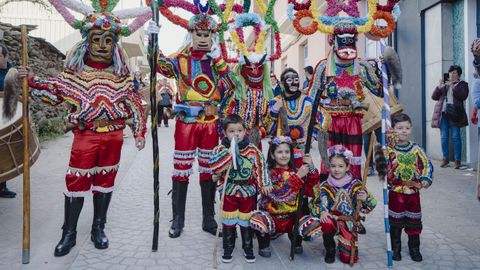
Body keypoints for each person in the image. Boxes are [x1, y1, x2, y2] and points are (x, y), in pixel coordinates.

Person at [17, 2, 148, 256]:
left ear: (115, 45)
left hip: (113, 137)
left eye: (108, 40)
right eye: (96, 39)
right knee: (76, 181)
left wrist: (139, 133)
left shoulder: (122, 78)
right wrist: (30, 80)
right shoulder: (72, 75)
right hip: (85, 136)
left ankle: (99, 227)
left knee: (105, 182)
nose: (101, 45)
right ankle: (69, 232)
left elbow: (136, 107)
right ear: (86, 42)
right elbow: (53, 91)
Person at [149, 13, 237, 238]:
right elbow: (159, 65)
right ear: (191, 34)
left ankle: (208, 218)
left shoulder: (217, 62)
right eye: (199, 34)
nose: (203, 38)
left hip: (210, 123)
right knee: (181, 170)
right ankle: (178, 219)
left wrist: (219, 61)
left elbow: (232, 86)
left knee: (208, 170)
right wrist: (153, 39)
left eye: (207, 34)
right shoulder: (180, 59)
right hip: (187, 123)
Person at [308, 21, 383, 179]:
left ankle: (353, 192)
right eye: (342, 39)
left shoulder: (362, 66)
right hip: (330, 122)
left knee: (352, 160)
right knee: (329, 161)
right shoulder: (323, 67)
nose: (347, 44)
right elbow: (311, 99)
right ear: (333, 40)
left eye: (351, 39)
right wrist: (313, 127)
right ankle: (328, 194)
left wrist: (385, 71)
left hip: (353, 121)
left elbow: (378, 90)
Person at [298, 145, 376, 265]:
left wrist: (364, 199)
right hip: (331, 220)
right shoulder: (325, 185)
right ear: (329, 167)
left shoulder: (356, 184)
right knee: (325, 220)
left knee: (350, 258)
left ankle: (345, 242)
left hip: (348, 222)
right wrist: (323, 211)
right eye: (333, 166)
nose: (336, 169)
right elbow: (318, 202)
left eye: (340, 166)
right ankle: (330, 248)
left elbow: (372, 202)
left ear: (347, 167)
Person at [209, 114, 271, 263]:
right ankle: (228, 246)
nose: (236, 134)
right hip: (229, 190)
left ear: (245, 131)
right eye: (231, 131)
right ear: (224, 133)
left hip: (248, 191)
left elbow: (260, 167)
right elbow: (215, 168)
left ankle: (247, 246)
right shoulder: (220, 150)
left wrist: (264, 183)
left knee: (246, 219)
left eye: (239, 130)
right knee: (228, 220)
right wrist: (229, 154)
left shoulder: (252, 150)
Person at [249, 136, 319, 258]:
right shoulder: (268, 174)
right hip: (273, 217)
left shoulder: (296, 171)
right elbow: (279, 195)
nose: (284, 155)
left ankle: (296, 241)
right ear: (272, 155)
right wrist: (298, 177)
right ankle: (264, 244)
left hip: (292, 217)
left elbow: (310, 187)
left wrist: (311, 167)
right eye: (279, 152)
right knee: (257, 219)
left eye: (287, 152)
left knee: (312, 224)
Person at [378, 113, 433, 262]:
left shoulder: (416, 149)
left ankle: (414, 248)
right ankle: (395, 248)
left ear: (411, 129)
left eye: (407, 128)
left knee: (414, 222)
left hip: (413, 192)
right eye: (400, 128)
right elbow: (383, 171)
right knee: (395, 223)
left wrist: (425, 179)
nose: (404, 131)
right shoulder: (389, 150)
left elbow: (426, 164)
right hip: (396, 193)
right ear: (392, 130)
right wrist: (382, 156)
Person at [431, 65, 469, 169]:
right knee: (444, 137)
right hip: (443, 113)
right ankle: (445, 159)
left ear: (458, 75)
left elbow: (463, 96)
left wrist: (452, 86)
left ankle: (457, 160)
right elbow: (434, 97)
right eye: (450, 73)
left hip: (455, 114)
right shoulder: (445, 85)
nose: (452, 75)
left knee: (455, 137)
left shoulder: (463, 84)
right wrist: (439, 86)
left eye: (454, 73)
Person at [0, 44, 17, 198]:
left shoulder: (14, 73)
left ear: (6, 56)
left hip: (6, 116)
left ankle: (2, 187)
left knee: (3, 151)